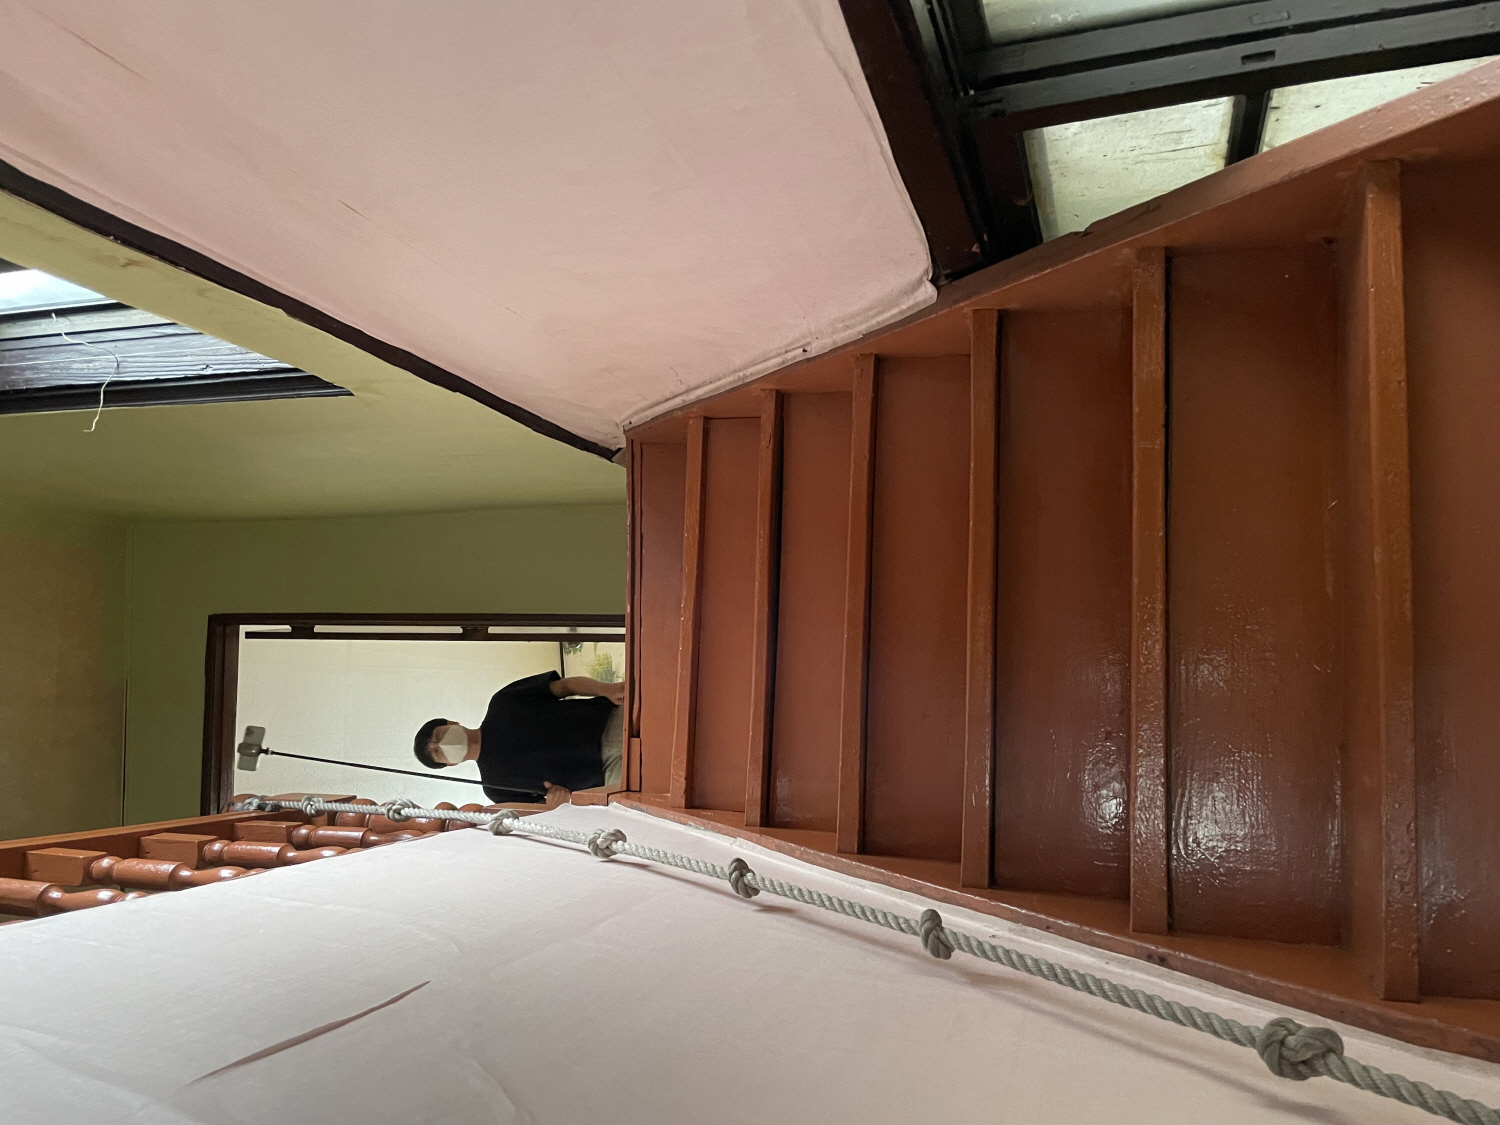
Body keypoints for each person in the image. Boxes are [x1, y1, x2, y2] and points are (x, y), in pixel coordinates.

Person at [413, 671, 624, 808]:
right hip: (608, 776)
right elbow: (541, 813)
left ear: (451, 723)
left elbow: (564, 687)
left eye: (438, 736)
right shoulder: (494, 788)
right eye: (437, 752)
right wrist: (554, 804)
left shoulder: (502, 701)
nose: (441, 744)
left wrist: (605, 689)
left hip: (611, 720)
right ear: (450, 764)